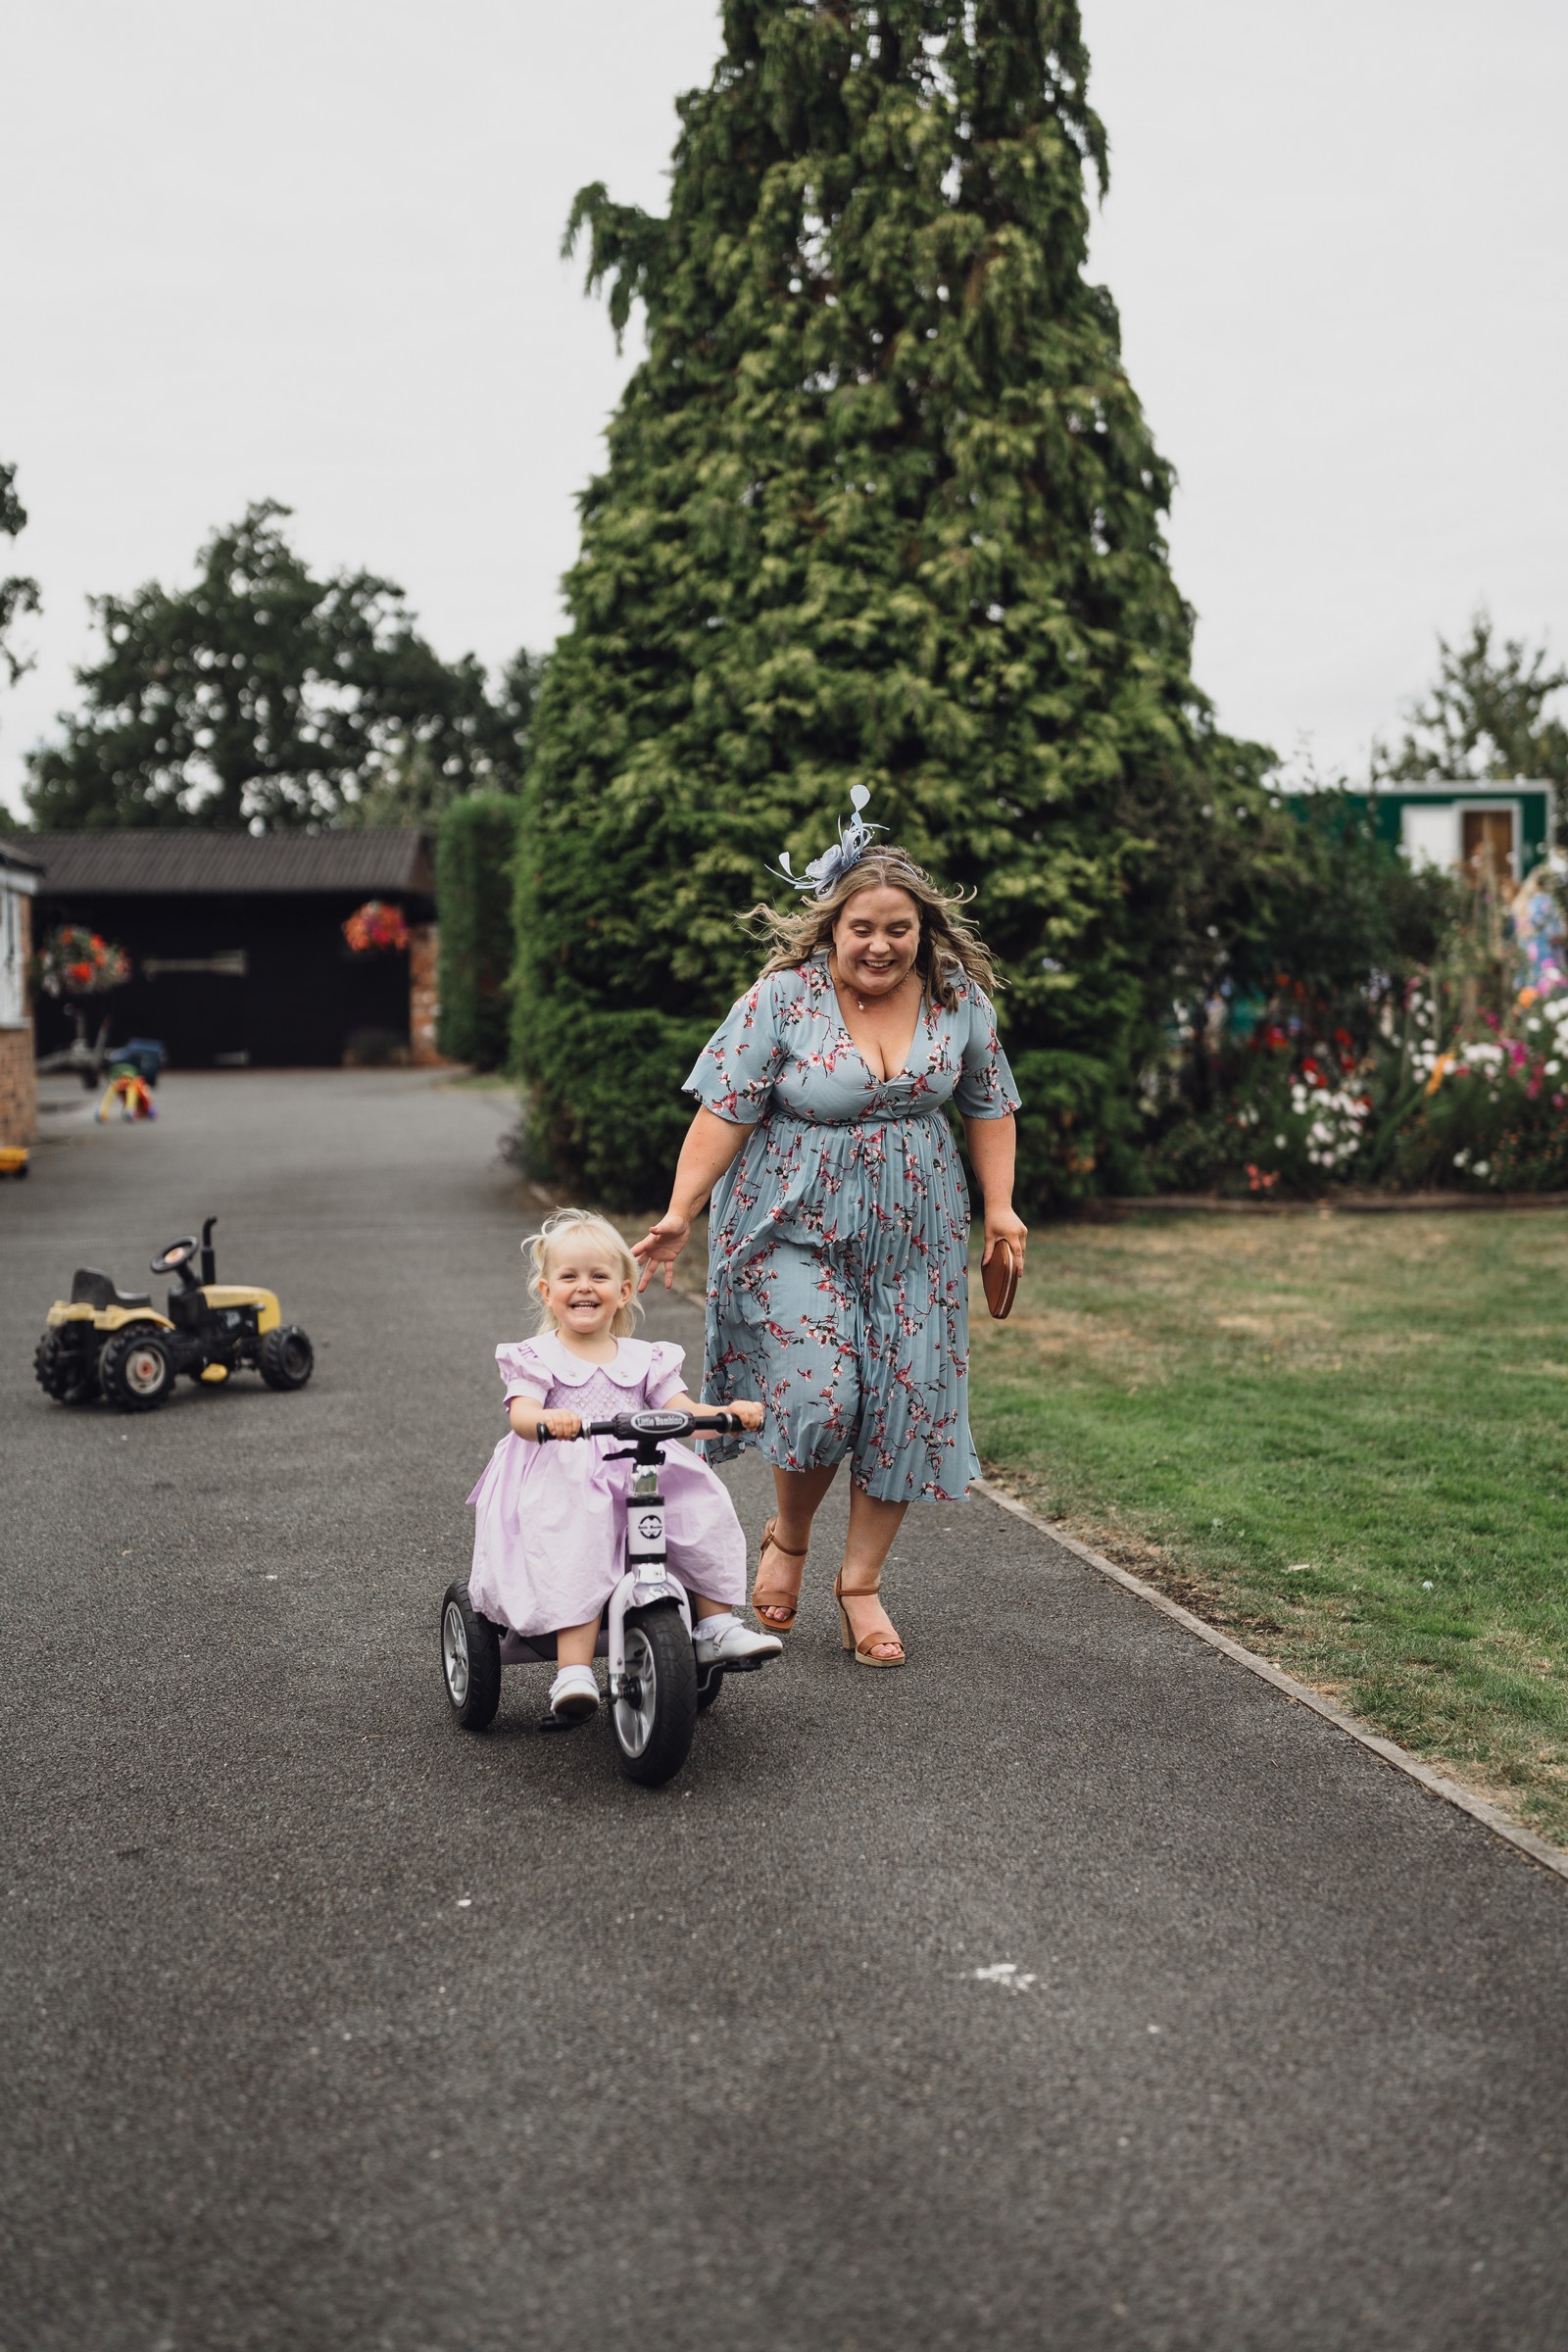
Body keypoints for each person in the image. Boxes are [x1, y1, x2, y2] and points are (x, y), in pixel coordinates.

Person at [631, 792, 1027, 1669]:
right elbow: (725, 1111)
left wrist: (999, 1206)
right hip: (789, 1224)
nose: (880, 945)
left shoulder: (958, 1002)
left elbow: (989, 1106)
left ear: (923, 929)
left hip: (918, 1236)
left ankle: (860, 1587)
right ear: (832, 927)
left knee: (904, 1399)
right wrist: (678, 1211)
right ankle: (790, 1536)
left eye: (898, 928)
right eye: (862, 928)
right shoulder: (781, 998)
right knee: (817, 1394)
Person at [466, 1207, 781, 1723]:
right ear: (547, 1292)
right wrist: (548, 1419)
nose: (583, 1287)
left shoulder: (645, 1357)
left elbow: (681, 1414)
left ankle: (715, 1624)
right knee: (578, 1543)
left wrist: (726, 1415)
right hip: (566, 1477)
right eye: (569, 1277)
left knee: (703, 1505)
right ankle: (572, 1670)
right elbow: (521, 1413)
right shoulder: (537, 1357)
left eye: (598, 1277)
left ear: (625, 1291)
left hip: (642, 1467)